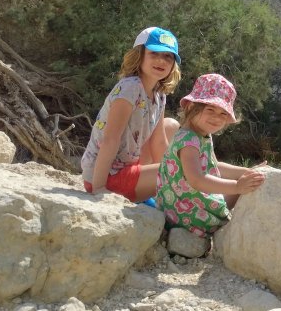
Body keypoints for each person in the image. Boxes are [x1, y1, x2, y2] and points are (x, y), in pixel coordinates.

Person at [155, 73, 266, 236]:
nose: (216, 118)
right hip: (187, 215)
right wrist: (237, 186)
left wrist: (247, 172)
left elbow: (215, 165)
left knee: (247, 183)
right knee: (244, 189)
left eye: (223, 114)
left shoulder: (200, 134)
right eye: (210, 110)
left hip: (182, 205)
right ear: (191, 107)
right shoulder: (188, 140)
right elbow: (197, 180)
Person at [81, 26, 181, 201]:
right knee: (179, 174)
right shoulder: (130, 87)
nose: (161, 61)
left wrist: (169, 175)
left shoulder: (159, 94)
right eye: (154, 53)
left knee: (171, 128)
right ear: (139, 55)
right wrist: (99, 188)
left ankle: (153, 191)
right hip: (107, 176)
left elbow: (158, 142)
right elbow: (110, 139)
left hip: (129, 165)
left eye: (168, 56)